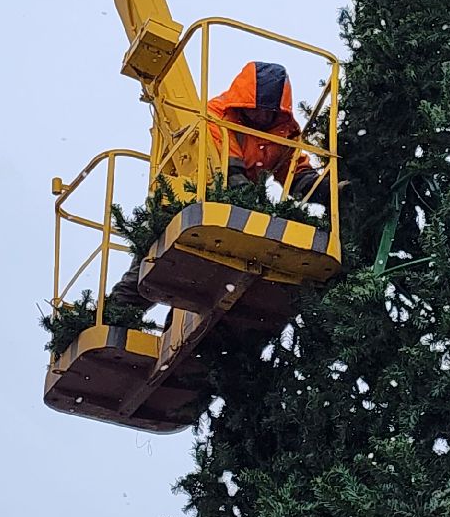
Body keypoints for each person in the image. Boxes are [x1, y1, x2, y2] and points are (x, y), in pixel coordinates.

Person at [103, 61, 325, 325]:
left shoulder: (282, 131)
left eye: (268, 112)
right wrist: (255, 207)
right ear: (245, 103)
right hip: (192, 197)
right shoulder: (218, 116)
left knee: (202, 288)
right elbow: (228, 171)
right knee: (148, 269)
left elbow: (294, 171)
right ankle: (109, 319)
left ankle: (177, 330)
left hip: (236, 207)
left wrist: (325, 189)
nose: (262, 118)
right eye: (257, 111)